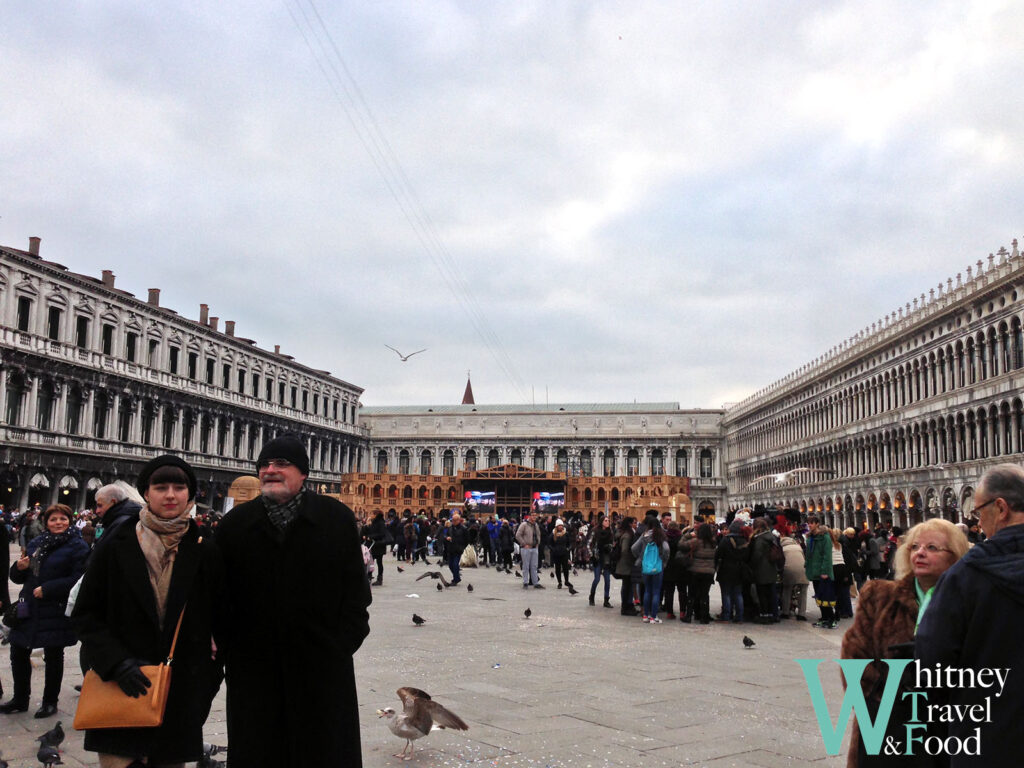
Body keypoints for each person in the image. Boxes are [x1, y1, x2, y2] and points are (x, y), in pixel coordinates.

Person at [216, 435, 372, 768]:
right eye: (265, 465)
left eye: (282, 464)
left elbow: (356, 595)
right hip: (254, 671)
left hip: (322, 668)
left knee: (323, 751)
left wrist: (340, 645)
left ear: (303, 473)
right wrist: (233, 652)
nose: (271, 470)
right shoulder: (234, 526)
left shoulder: (336, 519)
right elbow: (219, 596)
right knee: (259, 751)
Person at [72, 455, 224, 766]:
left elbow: (221, 616)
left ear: (190, 495)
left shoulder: (204, 547)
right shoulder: (116, 544)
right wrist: (115, 664)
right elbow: (86, 614)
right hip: (121, 686)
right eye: (161, 486)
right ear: (146, 493)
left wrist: (204, 681)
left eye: (179, 487)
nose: (170, 495)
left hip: (178, 694)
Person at [916, 464, 1024, 766]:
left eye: (979, 512)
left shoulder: (966, 576)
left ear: (1001, 508)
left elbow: (933, 660)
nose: (979, 522)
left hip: (986, 737)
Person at [841, 519, 968, 767]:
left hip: (943, 726)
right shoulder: (879, 594)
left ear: (955, 556)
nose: (920, 553)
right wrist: (877, 702)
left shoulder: (967, 602)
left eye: (932, 547)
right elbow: (855, 654)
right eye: (915, 547)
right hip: (887, 722)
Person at [1, 503, 88, 717]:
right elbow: (19, 577)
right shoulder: (36, 543)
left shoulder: (78, 546)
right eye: (53, 519)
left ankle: (50, 702)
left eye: (63, 519)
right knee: (18, 650)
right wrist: (18, 568)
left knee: (53, 654)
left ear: (69, 521)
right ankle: (20, 699)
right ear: (46, 522)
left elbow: (79, 579)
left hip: (54, 608)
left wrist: (49, 589)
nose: (58, 523)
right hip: (28, 605)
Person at [804, 515, 837, 628]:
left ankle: (831, 619)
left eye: (811, 523)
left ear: (817, 523)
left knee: (825, 596)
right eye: (808, 523)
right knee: (819, 596)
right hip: (814, 571)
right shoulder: (810, 538)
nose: (809, 525)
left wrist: (824, 571)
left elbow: (827, 556)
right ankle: (824, 618)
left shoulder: (825, 538)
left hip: (823, 572)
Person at [715, 519, 750, 623]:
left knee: (726, 593)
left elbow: (718, 554)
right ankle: (739, 616)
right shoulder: (745, 540)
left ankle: (726, 616)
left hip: (726, 568)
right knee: (738, 593)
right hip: (740, 569)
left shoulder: (726, 540)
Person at [613, 517, 637, 615]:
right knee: (627, 586)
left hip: (623, 563)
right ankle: (626, 607)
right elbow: (624, 550)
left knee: (626, 585)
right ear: (630, 524)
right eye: (634, 522)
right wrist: (631, 559)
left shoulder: (622, 533)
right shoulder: (627, 535)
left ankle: (627, 605)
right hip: (625, 564)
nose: (635, 524)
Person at [588, 516, 614, 607]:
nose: (608, 522)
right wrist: (592, 556)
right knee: (597, 579)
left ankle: (606, 600)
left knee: (607, 580)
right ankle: (592, 596)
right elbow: (589, 544)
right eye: (606, 520)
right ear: (601, 521)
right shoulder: (595, 531)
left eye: (608, 521)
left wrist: (610, 547)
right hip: (597, 557)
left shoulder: (610, 532)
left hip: (606, 558)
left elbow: (612, 543)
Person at [515, 511, 544, 588]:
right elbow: (518, 535)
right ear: (529, 516)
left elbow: (538, 534)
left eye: (535, 515)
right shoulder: (524, 524)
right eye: (533, 515)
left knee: (534, 566)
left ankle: (535, 583)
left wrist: (538, 542)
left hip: (535, 548)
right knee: (526, 566)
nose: (534, 517)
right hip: (526, 548)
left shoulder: (536, 525)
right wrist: (524, 544)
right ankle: (525, 582)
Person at [445, 513, 468, 584]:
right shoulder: (450, 528)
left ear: (459, 520)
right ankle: (457, 577)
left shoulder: (463, 529)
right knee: (450, 565)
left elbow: (467, 540)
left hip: (458, 549)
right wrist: (447, 538)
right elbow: (446, 535)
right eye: (452, 520)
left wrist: (462, 547)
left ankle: (455, 579)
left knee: (455, 564)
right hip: (451, 548)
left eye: (455, 520)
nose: (453, 522)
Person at [549, 520, 572, 589]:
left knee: (566, 568)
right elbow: (549, 544)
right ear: (556, 526)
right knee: (558, 568)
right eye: (559, 525)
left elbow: (569, 543)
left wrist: (568, 549)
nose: (561, 527)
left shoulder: (566, 533)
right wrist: (553, 549)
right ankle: (559, 582)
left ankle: (566, 581)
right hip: (556, 554)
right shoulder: (553, 534)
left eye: (562, 525)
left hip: (564, 553)